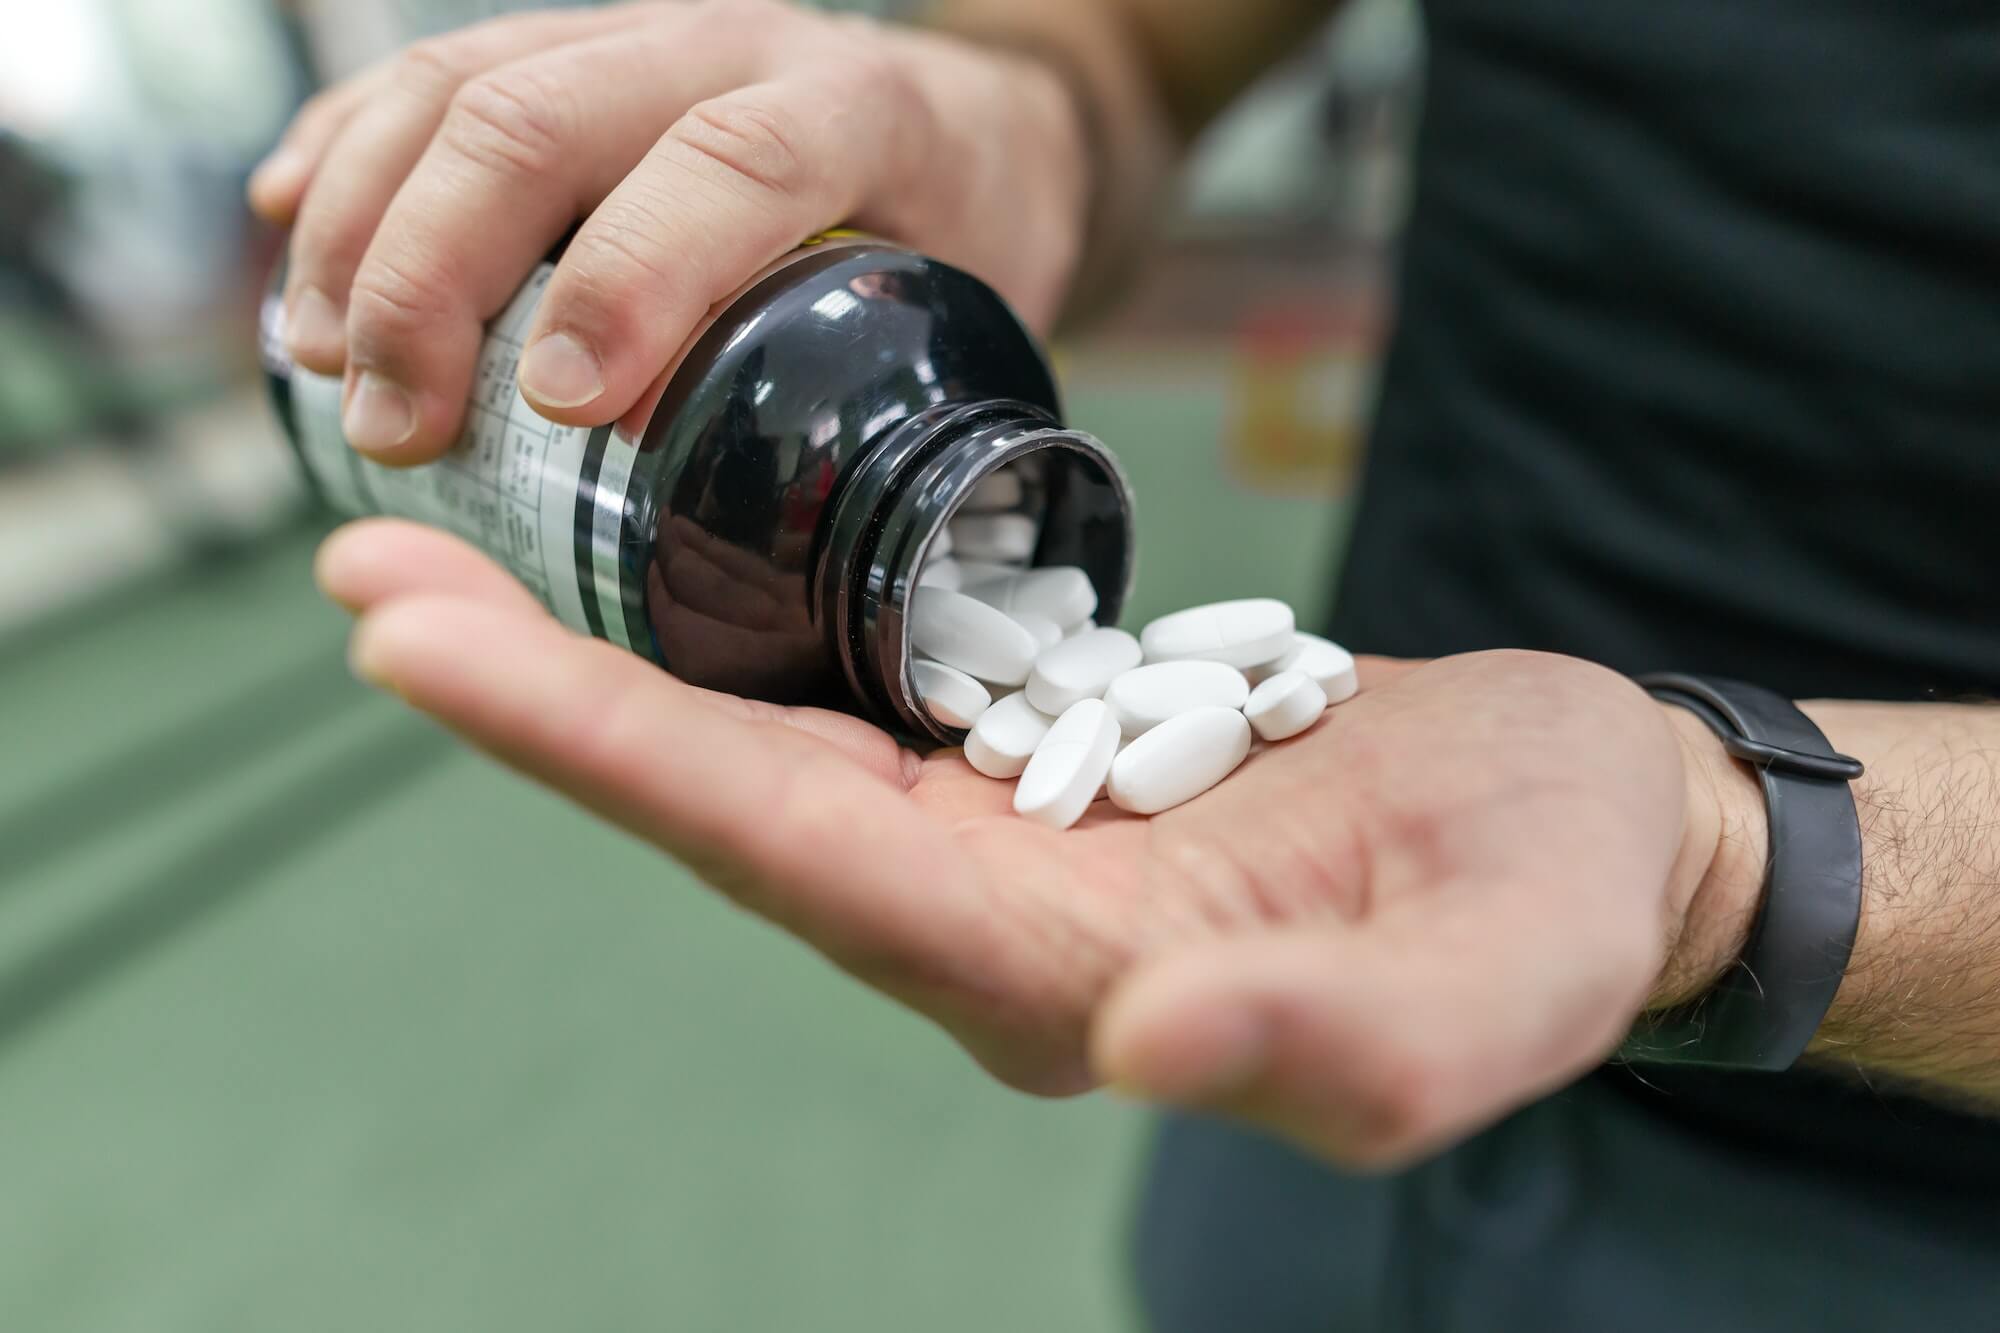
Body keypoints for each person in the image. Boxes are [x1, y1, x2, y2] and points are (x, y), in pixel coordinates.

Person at [247, 1, 2000, 1327]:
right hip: (1304, 926)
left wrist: (1739, 845)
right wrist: (1019, 108)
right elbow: (1136, 49)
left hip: (1906, 1194)